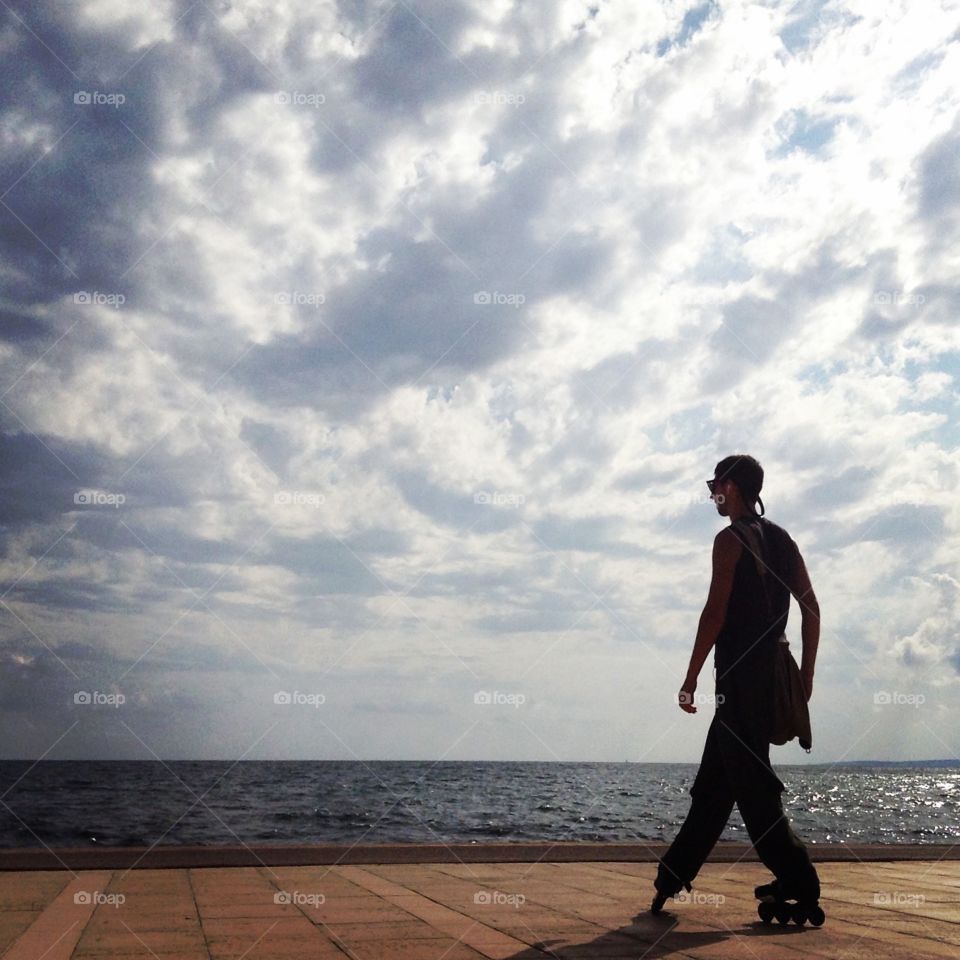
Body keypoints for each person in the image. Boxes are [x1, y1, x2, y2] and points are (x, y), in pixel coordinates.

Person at [651, 454, 821, 915]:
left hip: (738, 683)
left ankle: (801, 881)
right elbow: (812, 610)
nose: (712, 494)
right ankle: (672, 875)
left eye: (715, 485)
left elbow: (715, 613)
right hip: (770, 676)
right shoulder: (784, 541)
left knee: (753, 788)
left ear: (734, 486)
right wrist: (803, 678)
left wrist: (689, 678)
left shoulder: (728, 541)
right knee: (714, 786)